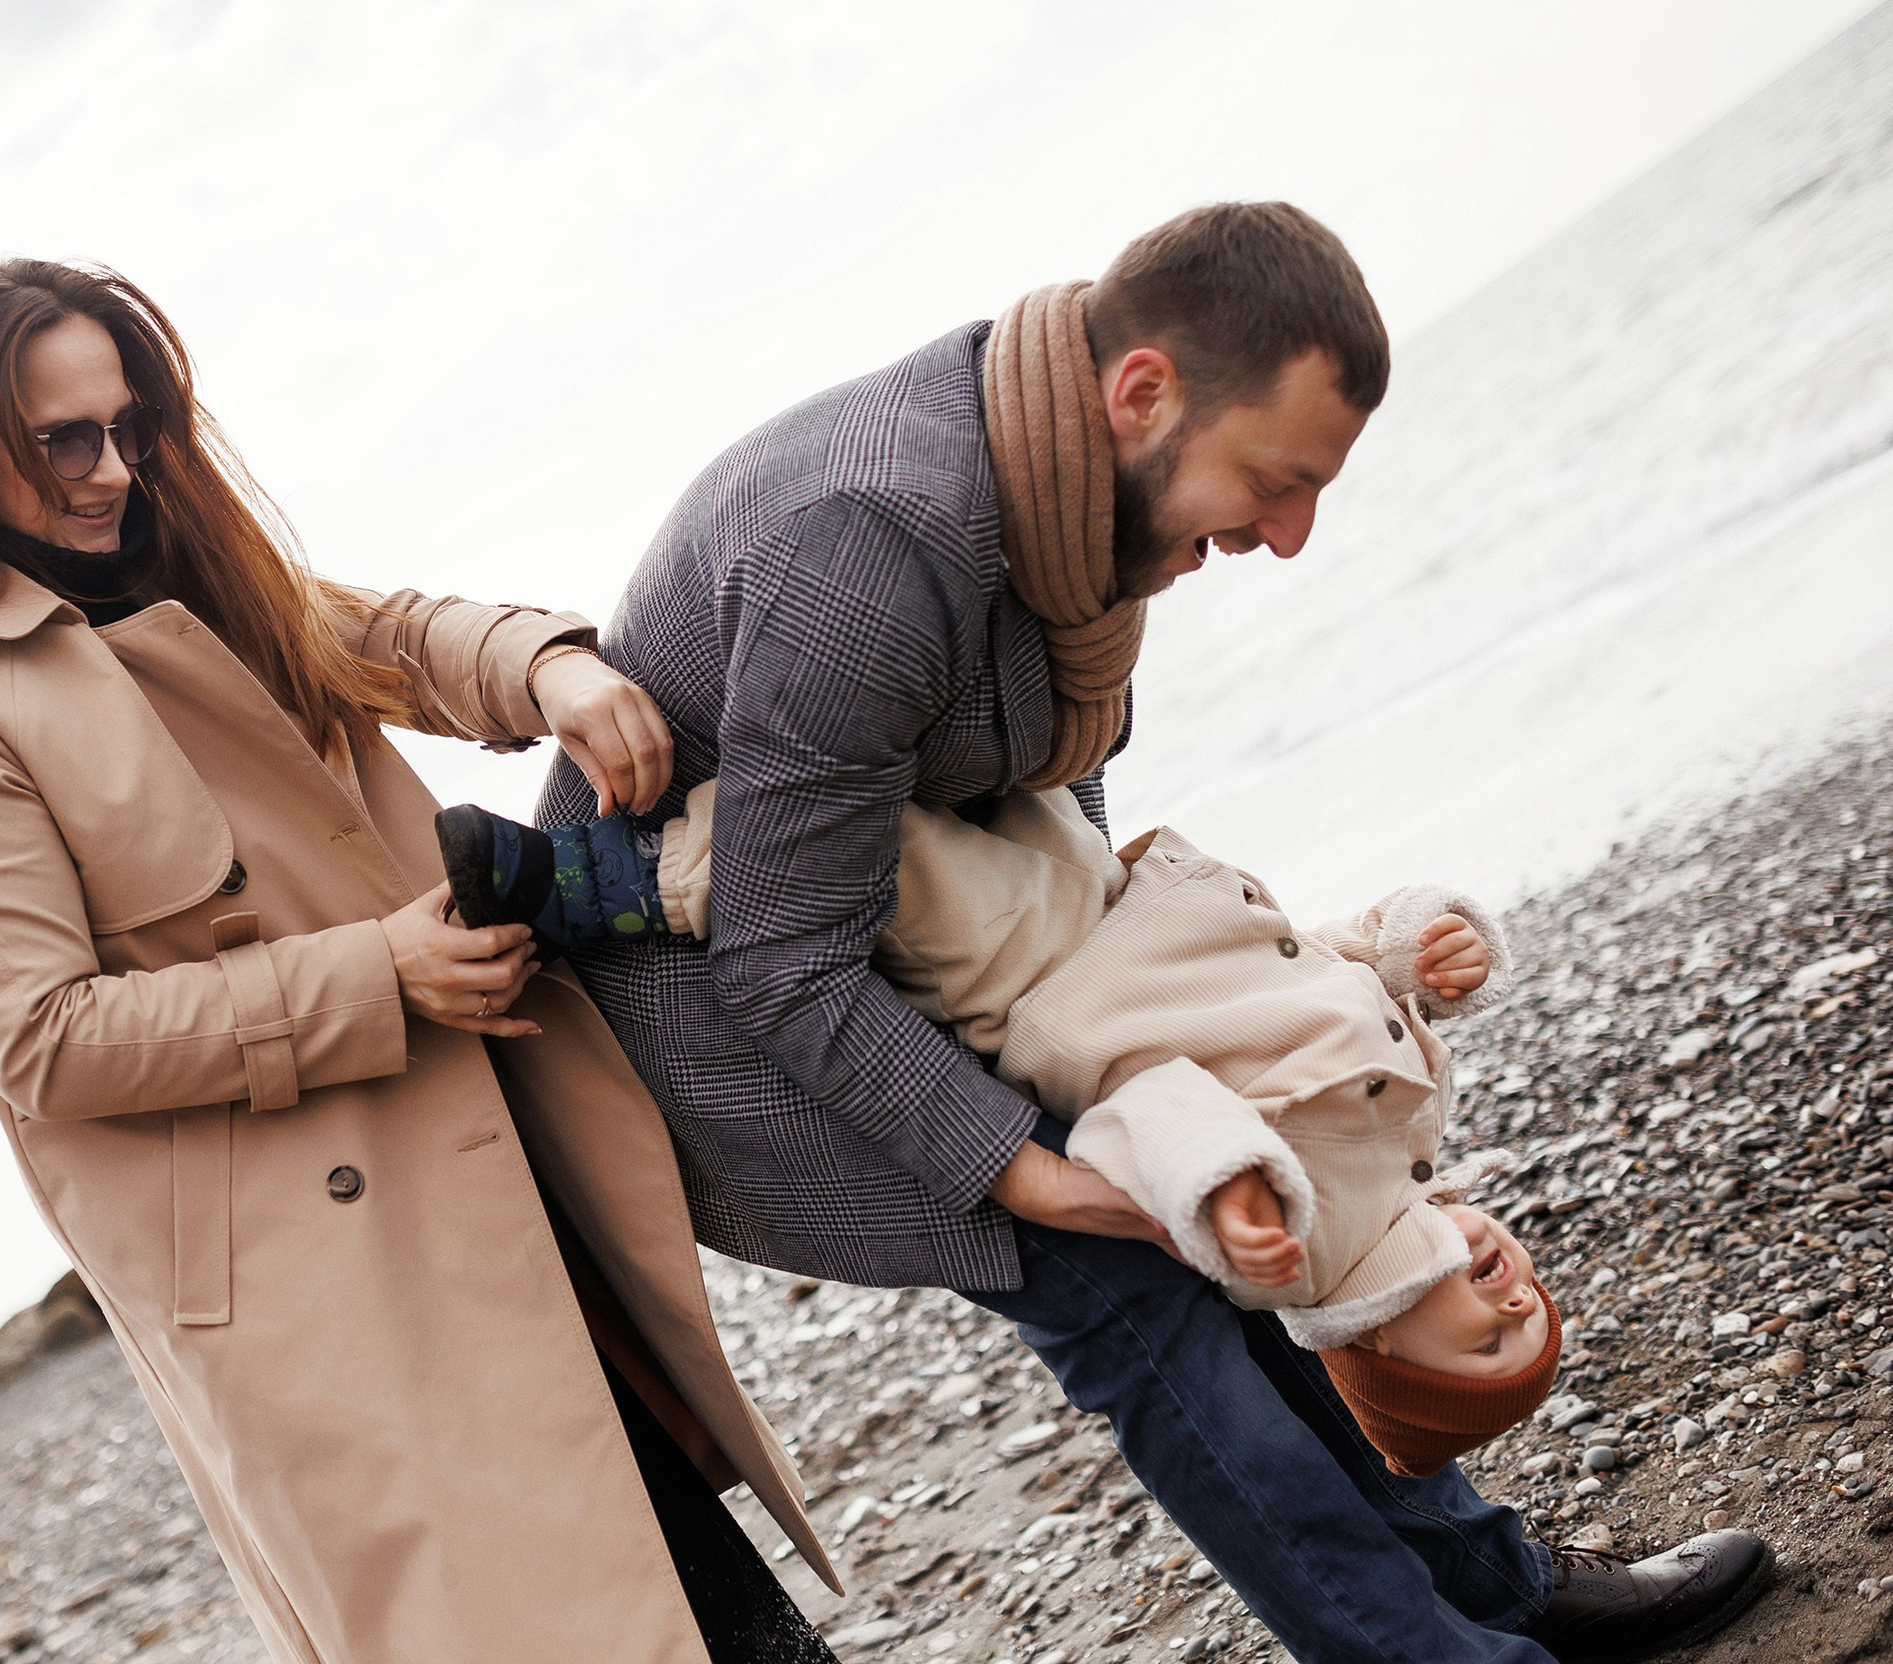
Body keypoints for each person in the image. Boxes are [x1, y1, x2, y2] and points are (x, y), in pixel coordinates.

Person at [524, 204, 1774, 1662]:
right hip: (713, 1006)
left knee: (1238, 1202)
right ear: (1142, 391)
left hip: (911, 931)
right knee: (1130, 1280)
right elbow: (784, 958)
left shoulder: (1074, 503)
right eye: (1275, 482)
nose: (1287, 537)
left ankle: (1489, 1585)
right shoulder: (869, 538)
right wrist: (1037, 1174)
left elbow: (1045, 788)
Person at [0, 258, 842, 1664]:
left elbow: (397, 639)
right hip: (315, 1271)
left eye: (130, 427)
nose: (111, 470)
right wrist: (379, 975)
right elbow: (45, 1040)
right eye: (62, 440)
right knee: (546, 1609)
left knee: (666, 1576)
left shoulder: (186, 575)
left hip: (470, 1162)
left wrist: (552, 668)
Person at [442, 779, 1563, 1468]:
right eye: (1535, 1306)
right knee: (992, 783)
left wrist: (1223, 1189)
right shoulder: (1412, 1151)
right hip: (1119, 905)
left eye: (1489, 1340)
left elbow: (1157, 1115)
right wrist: (1416, 950)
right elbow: (1318, 977)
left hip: (1040, 970)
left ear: (1380, 1346)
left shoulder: (1301, 1246)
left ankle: (604, 883)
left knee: (880, 845)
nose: (1516, 1299)